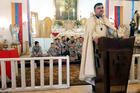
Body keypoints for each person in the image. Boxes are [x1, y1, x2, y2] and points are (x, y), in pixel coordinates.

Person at [79, 3, 116, 91]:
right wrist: (95, 37)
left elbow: (111, 30)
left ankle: (103, 85)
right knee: (95, 67)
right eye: (99, 8)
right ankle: (95, 87)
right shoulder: (90, 20)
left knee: (104, 69)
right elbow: (90, 31)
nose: (101, 9)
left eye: (102, 8)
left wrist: (117, 34)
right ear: (94, 10)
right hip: (94, 48)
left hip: (105, 48)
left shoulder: (105, 20)